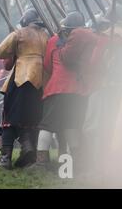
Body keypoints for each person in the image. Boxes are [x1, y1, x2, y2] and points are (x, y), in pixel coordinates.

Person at [33, 12, 96, 170]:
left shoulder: (55, 40)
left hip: (58, 89)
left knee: (46, 126)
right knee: (71, 126)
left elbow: (47, 65)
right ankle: (73, 163)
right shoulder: (89, 39)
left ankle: (41, 163)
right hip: (78, 90)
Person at [0, 8, 49, 169]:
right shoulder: (46, 35)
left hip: (21, 78)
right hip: (41, 81)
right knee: (32, 118)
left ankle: (6, 158)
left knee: (10, 118)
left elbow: (0, 52)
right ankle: (29, 149)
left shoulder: (19, 33)